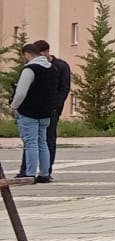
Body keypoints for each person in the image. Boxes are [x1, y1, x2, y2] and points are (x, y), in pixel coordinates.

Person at [10, 41, 58, 183]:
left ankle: (29, 174)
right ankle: (44, 173)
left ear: (27, 54)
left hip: (29, 111)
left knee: (31, 143)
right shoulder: (52, 68)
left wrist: (14, 106)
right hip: (46, 111)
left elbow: (21, 92)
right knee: (42, 142)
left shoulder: (30, 69)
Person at [40, 41, 71, 180]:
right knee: (33, 140)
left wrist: (55, 106)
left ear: (46, 51)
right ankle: (29, 170)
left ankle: (47, 170)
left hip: (52, 109)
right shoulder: (36, 66)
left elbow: (64, 88)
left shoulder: (61, 66)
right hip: (37, 108)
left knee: (49, 138)